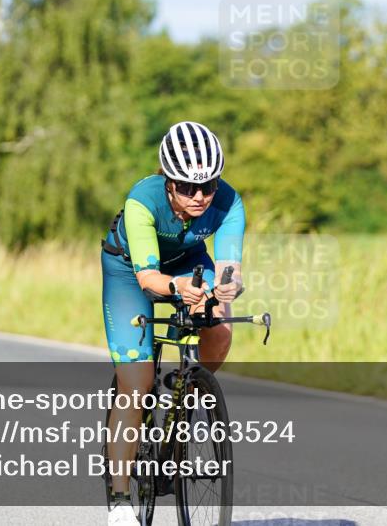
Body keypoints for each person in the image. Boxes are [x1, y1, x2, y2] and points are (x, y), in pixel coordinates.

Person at [100, 121, 245, 526]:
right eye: (187, 187)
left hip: (188, 262)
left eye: (208, 186)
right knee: (135, 384)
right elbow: (149, 280)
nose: (199, 197)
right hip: (129, 272)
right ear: (168, 181)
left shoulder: (229, 202)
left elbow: (231, 269)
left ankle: (188, 393)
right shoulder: (141, 202)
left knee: (220, 328)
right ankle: (121, 500)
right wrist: (179, 288)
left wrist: (227, 287)